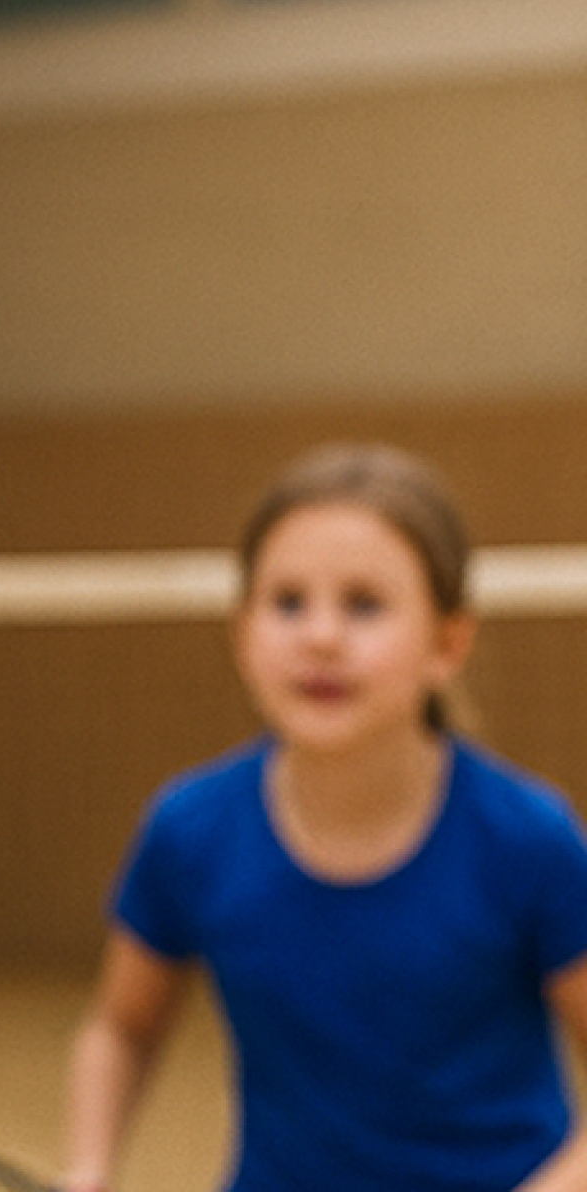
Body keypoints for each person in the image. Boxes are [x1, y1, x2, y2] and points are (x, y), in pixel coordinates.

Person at [60, 442, 587, 1192]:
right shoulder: (190, 832)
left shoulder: (530, 841)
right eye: (287, 603)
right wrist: (88, 1166)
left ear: (448, 644)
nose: (321, 637)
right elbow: (122, 1026)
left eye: (364, 605)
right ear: (242, 634)